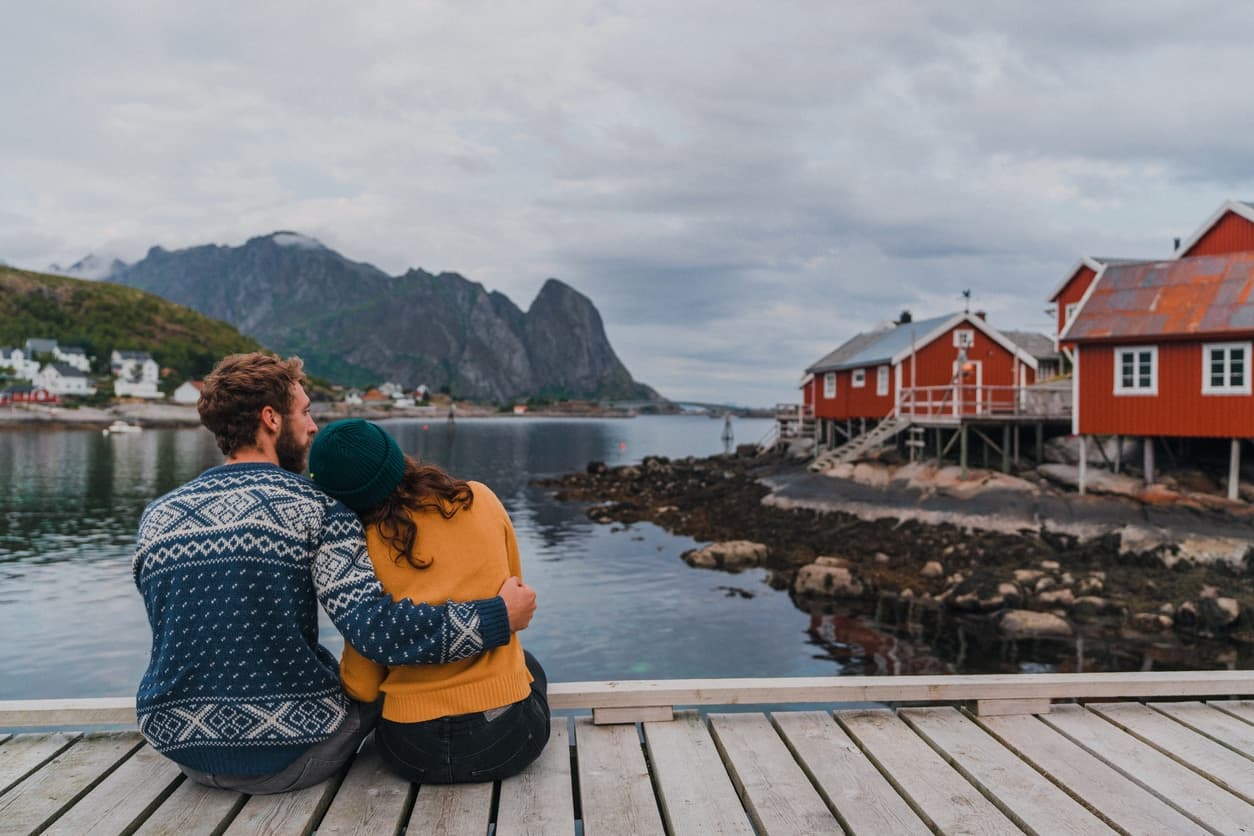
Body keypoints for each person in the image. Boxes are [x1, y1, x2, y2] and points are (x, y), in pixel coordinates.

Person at [132, 353, 536, 794]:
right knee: (384, 681)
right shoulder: (319, 510)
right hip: (288, 754)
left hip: (180, 746)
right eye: (305, 412)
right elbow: (378, 634)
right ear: (271, 419)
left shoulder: (158, 516)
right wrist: (497, 616)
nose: (312, 427)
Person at [308, 418, 551, 784]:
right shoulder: (479, 498)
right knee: (531, 665)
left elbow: (363, 684)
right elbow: (515, 596)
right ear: (395, 455)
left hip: (410, 749)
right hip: (508, 738)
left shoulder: (361, 551)